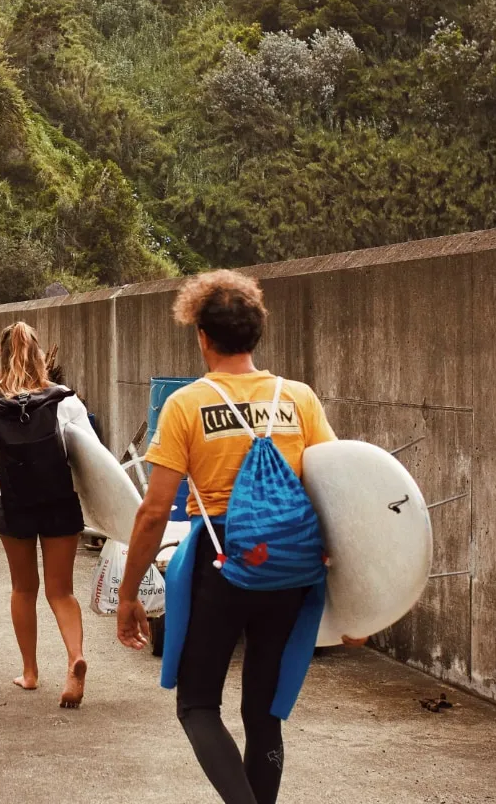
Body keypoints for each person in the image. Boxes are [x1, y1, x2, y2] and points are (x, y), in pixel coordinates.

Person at [115, 271, 340, 804]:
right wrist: (356, 606)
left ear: (202, 336)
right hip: (290, 571)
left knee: (197, 705)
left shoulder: (188, 404)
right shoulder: (299, 399)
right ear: (257, 332)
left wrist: (127, 595)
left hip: (220, 567)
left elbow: (152, 512)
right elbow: (340, 494)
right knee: (263, 711)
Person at [0, 321, 99, 709]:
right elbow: (94, 460)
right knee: (61, 591)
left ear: (0, 355)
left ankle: (30, 673)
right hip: (59, 503)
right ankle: (74, 657)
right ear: (39, 353)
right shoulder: (64, 400)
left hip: (16, 504)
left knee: (23, 589)